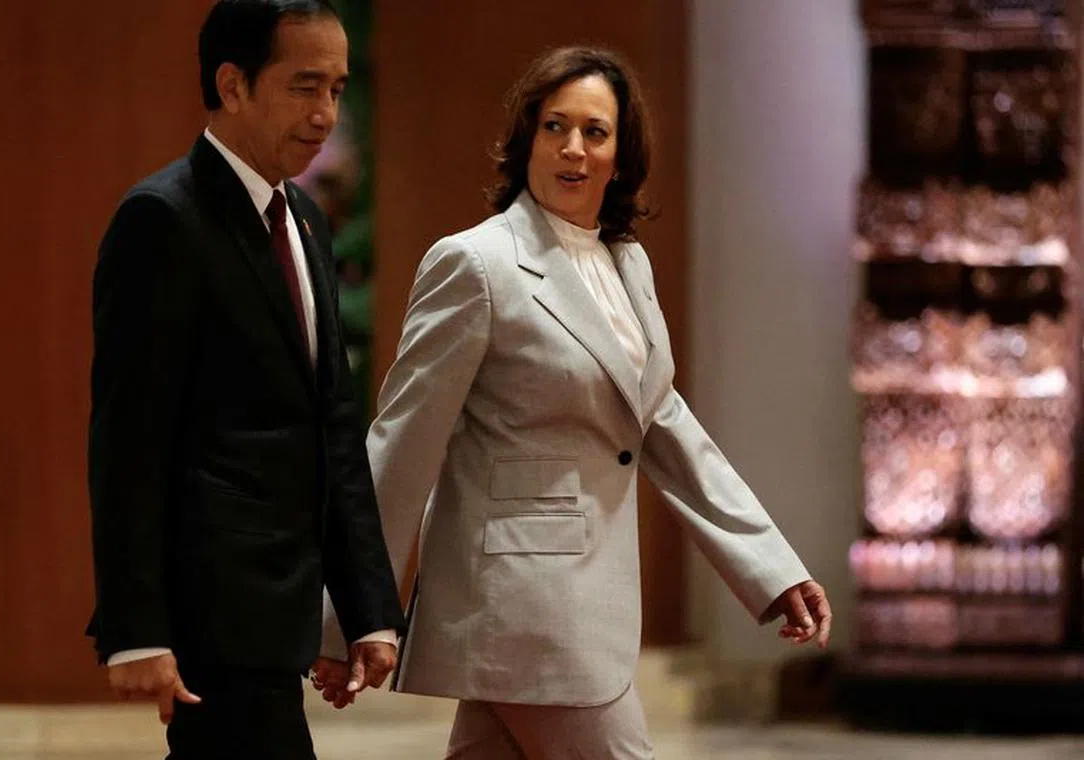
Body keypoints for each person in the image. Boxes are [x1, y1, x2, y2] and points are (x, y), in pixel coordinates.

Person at [318, 46, 833, 758]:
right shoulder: (476, 263)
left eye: (595, 131)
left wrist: (768, 567)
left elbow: (662, 421)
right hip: (528, 607)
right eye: (554, 126)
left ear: (621, 154)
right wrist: (350, 614)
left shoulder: (629, 261)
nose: (573, 148)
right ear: (526, 138)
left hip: (562, 609)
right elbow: (402, 442)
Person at [85, 2, 404, 757]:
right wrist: (136, 631)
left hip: (284, 609)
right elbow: (129, 438)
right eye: (304, 87)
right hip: (213, 615)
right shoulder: (162, 219)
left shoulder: (306, 220)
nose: (327, 113)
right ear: (232, 85)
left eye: (337, 88)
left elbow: (332, 421)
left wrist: (367, 610)